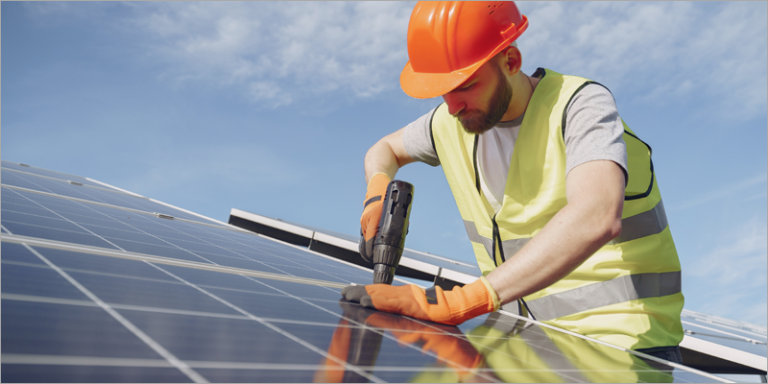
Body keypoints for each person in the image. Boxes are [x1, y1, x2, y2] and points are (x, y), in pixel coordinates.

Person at [342, 1, 684, 362]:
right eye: (442, 90)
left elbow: (597, 213)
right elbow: (384, 149)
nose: (453, 105)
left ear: (511, 61)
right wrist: (376, 189)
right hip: (524, 342)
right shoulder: (449, 122)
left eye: (466, 84)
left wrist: (464, 301)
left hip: (619, 346)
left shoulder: (580, 106)